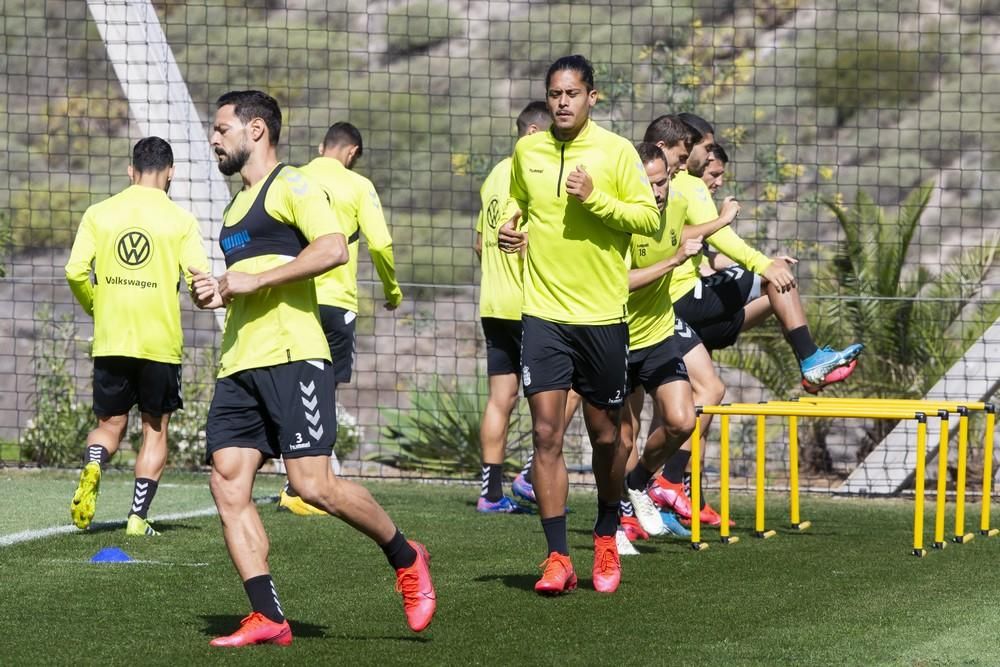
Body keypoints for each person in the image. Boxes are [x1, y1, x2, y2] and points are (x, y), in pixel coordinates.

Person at [190, 90, 434, 647]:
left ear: (256, 130)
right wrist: (219, 290)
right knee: (227, 482)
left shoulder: (295, 185)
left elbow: (332, 251)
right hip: (239, 362)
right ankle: (267, 615)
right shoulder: (233, 208)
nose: (213, 138)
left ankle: (405, 554)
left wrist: (254, 279)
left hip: (294, 354)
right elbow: (252, 277)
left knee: (313, 484)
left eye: (221, 128)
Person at [646, 112, 862, 525]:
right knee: (774, 282)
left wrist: (759, 264)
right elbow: (713, 238)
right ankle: (643, 492)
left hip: (683, 306)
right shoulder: (680, 185)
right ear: (683, 149)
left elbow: (706, 246)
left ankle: (675, 491)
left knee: (706, 396)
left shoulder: (676, 186)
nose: (710, 165)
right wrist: (762, 263)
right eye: (705, 151)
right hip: (671, 305)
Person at [498, 55, 661, 595]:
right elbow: (520, 205)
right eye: (554, 94)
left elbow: (647, 219)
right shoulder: (529, 151)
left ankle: (607, 534)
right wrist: (512, 231)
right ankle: (557, 557)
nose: (562, 102)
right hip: (543, 313)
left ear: (593, 97)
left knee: (606, 436)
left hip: (602, 317)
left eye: (572, 93)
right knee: (546, 432)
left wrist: (595, 199)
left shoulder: (615, 153)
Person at [65, 136, 209, 537]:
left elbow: (75, 271)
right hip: (159, 342)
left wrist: (97, 305)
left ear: (131, 171)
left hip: (112, 337)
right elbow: (199, 280)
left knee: (109, 426)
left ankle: (95, 462)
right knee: (154, 429)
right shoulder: (181, 221)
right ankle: (137, 517)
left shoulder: (99, 213)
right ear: (171, 173)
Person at [278, 121, 404, 515]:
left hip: (296, 297)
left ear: (321, 147)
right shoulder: (358, 185)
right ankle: (310, 485)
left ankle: (290, 480)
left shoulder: (293, 179)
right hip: (336, 302)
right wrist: (392, 289)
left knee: (290, 385)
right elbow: (381, 243)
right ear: (352, 153)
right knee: (325, 391)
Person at [473, 101, 551, 513]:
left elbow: (478, 244)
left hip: (492, 303)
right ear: (535, 134)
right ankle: (532, 478)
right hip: (528, 304)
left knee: (500, 397)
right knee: (555, 394)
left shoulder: (493, 176)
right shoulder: (532, 174)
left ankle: (490, 494)